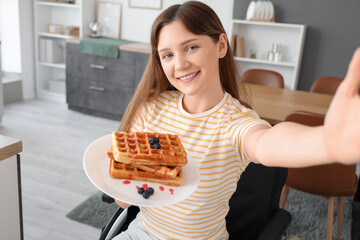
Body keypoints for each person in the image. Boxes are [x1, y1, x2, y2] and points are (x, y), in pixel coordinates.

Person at [113, 1, 360, 239]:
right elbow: (123, 200)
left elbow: (267, 142)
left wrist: (328, 141)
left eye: (191, 47)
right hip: (140, 233)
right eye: (167, 55)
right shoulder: (150, 108)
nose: (180, 64)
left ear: (221, 45)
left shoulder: (234, 123)